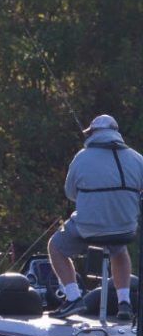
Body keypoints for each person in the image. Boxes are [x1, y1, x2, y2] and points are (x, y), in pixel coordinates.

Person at [48, 114, 143, 319]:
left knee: (55, 247)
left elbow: (70, 193)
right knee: (119, 249)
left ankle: (73, 298)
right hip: (126, 228)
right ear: (116, 133)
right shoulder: (137, 158)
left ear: (93, 133)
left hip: (88, 229)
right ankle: (124, 303)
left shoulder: (82, 157)